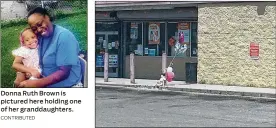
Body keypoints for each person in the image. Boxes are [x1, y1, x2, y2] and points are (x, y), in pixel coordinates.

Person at [18, 7, 82, 88]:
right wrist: (20, 74)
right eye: (34, 28)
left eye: (40, 24)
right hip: (46, 82)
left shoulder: (64, 37)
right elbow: (24, 56)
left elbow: (64, 73)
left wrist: (36, 83)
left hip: (69, 86)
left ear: (47, 17)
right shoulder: (38, 37)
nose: (39, 30)